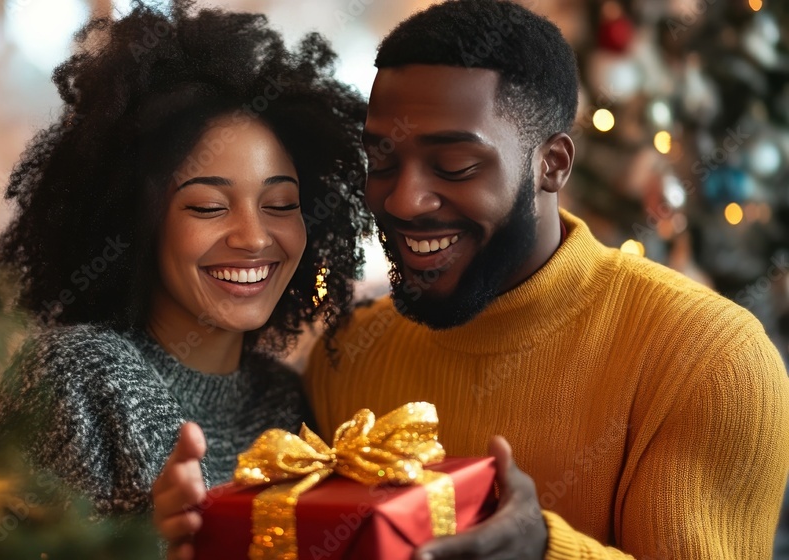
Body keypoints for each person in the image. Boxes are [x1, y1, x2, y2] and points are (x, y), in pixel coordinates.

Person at [155, 0, 789, 558]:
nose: (404, 201)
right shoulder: (348, 355)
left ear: (552, 165)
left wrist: (544, 552)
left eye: (455, 164)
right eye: (381, 159)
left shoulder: (710, 359)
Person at [0, 0, 371, 520]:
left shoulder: (284, 399)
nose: (254, 239)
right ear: (138, 222)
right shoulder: (78, 376)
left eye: (279, 205)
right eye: (208, 206)